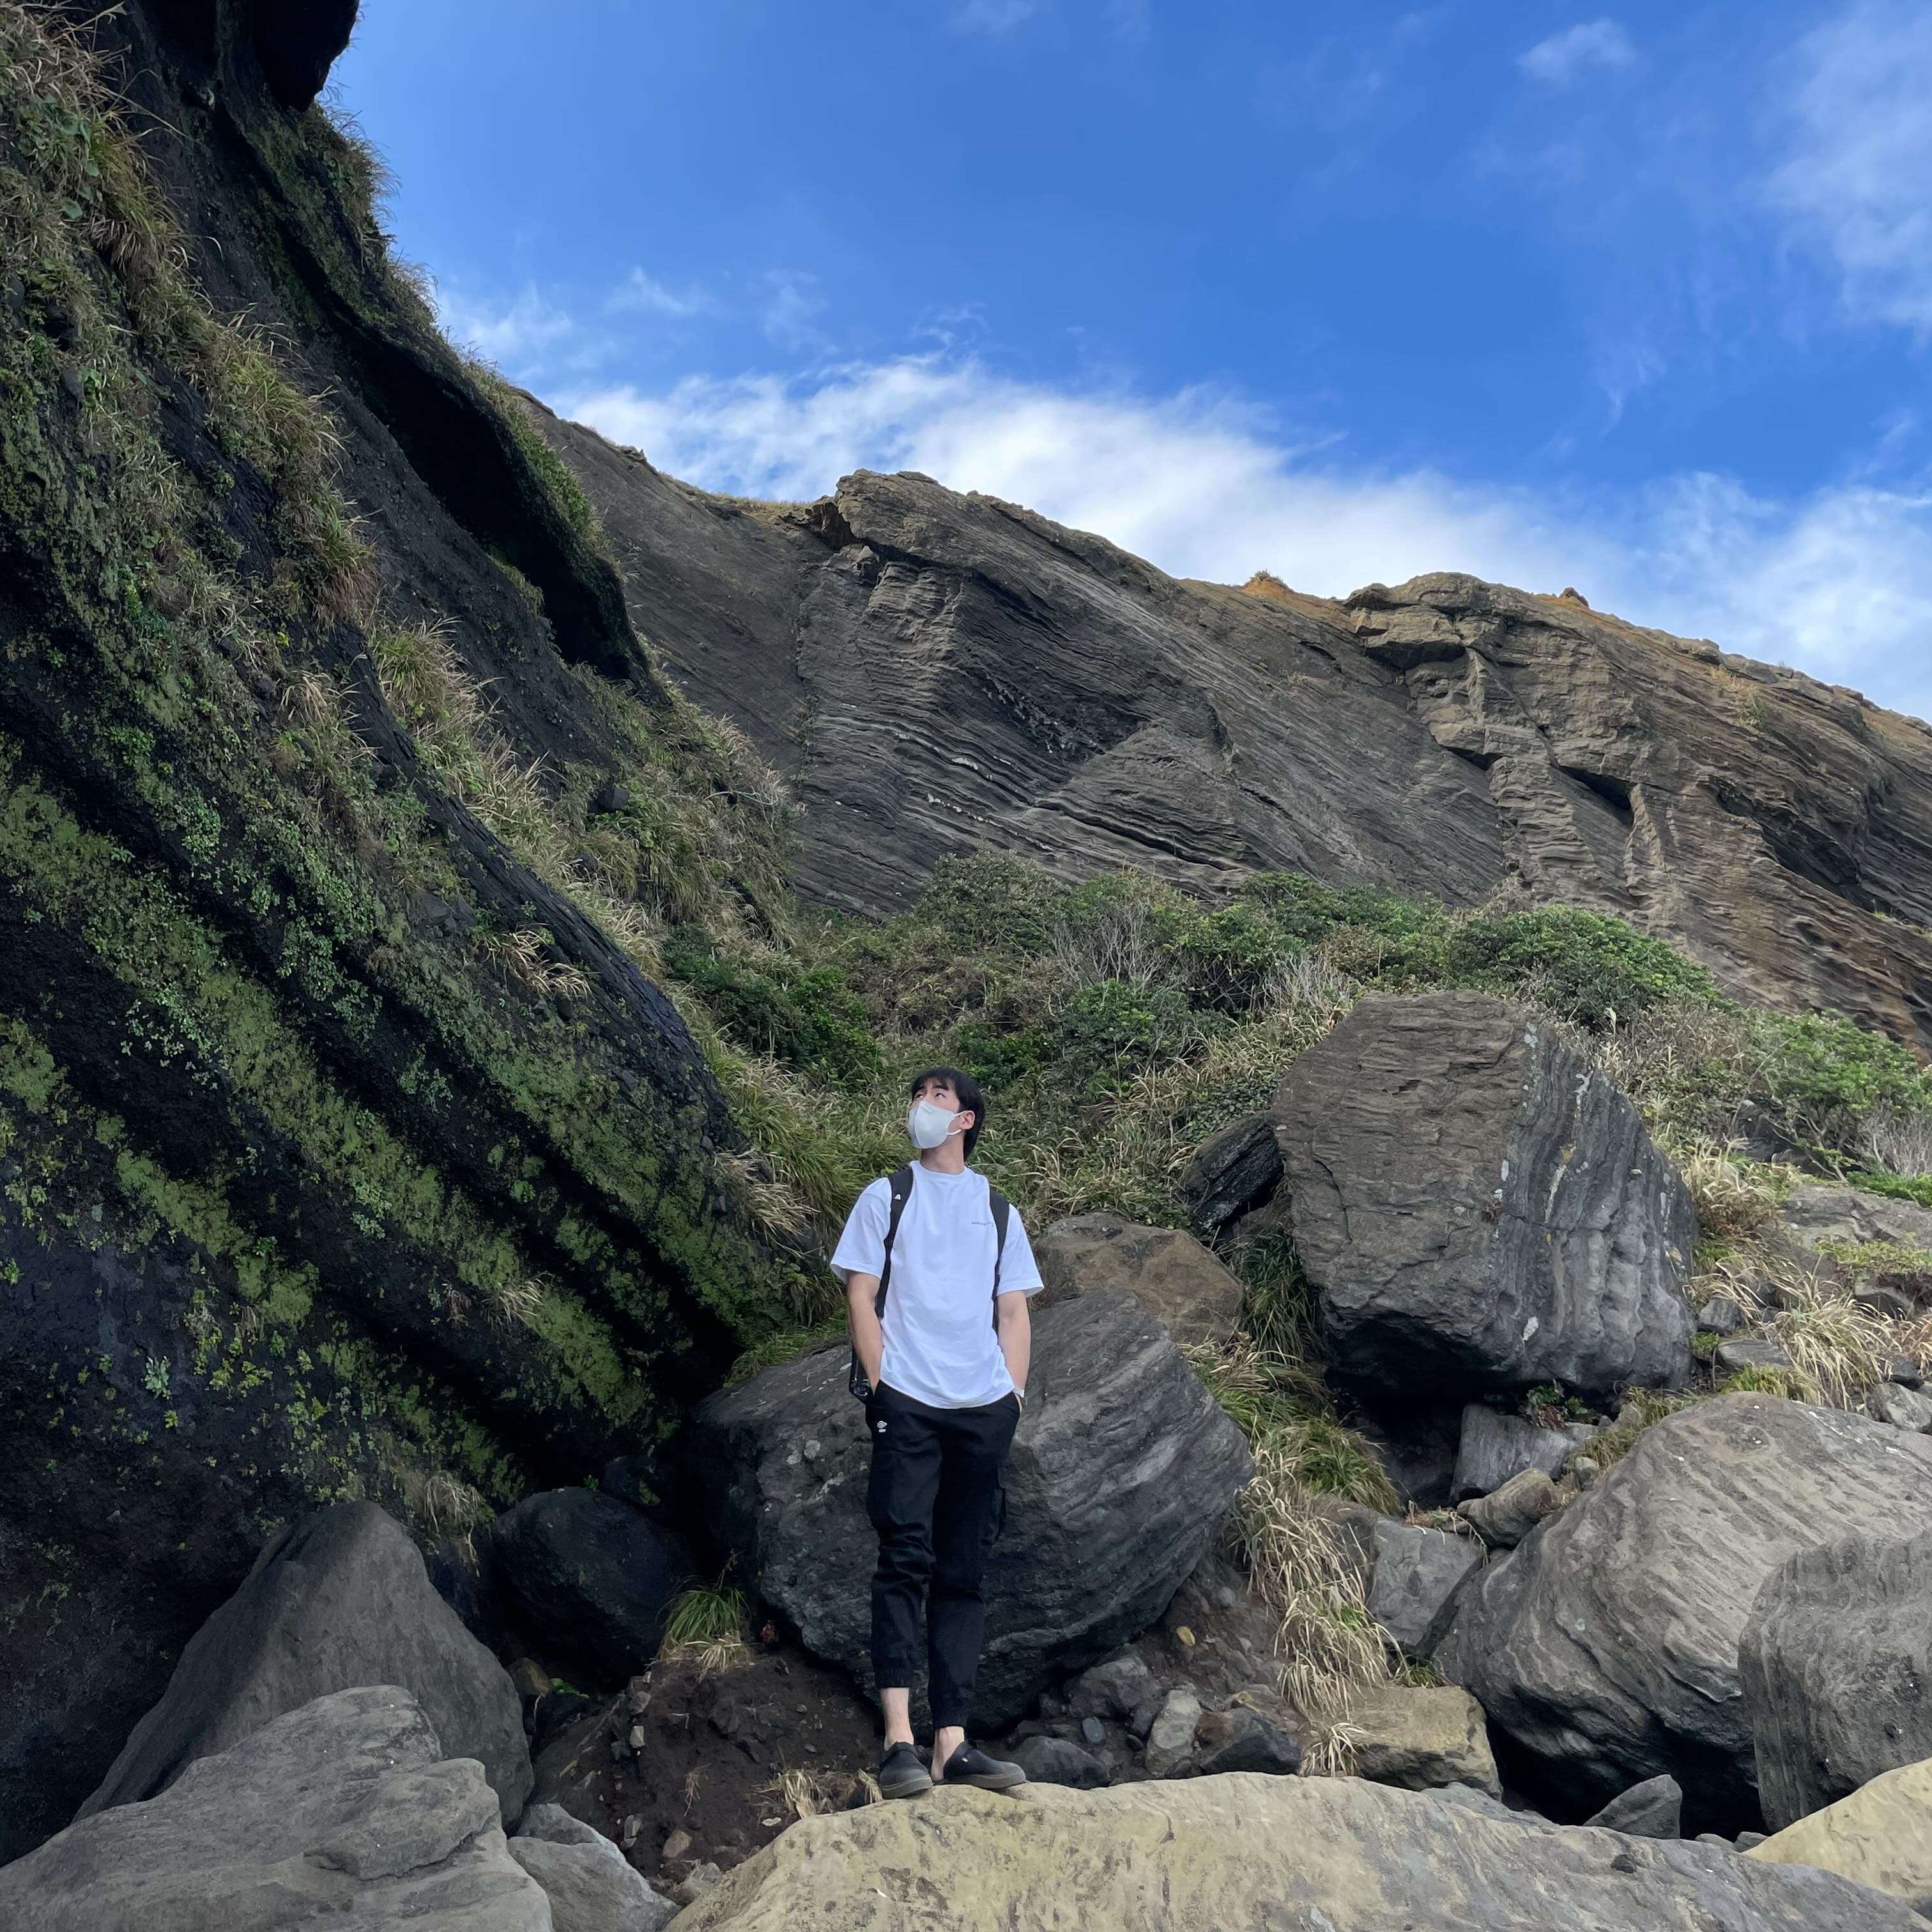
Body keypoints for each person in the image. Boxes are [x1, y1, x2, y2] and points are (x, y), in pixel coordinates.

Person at [830, 1066, 1045, 1799]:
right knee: (904, 1557)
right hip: (910, 1400)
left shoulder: (996, 1206)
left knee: (963, 1571)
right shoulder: (886, 1195)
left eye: (939, 1097)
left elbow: (1013, 1308)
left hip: (984, 1405)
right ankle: (898, 1742)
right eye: (917, 1094)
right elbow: (860, 1292)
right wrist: (885, 1379)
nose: (922, 1105)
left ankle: (952, 1741)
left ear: (967, 1121)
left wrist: (1012, 1395)